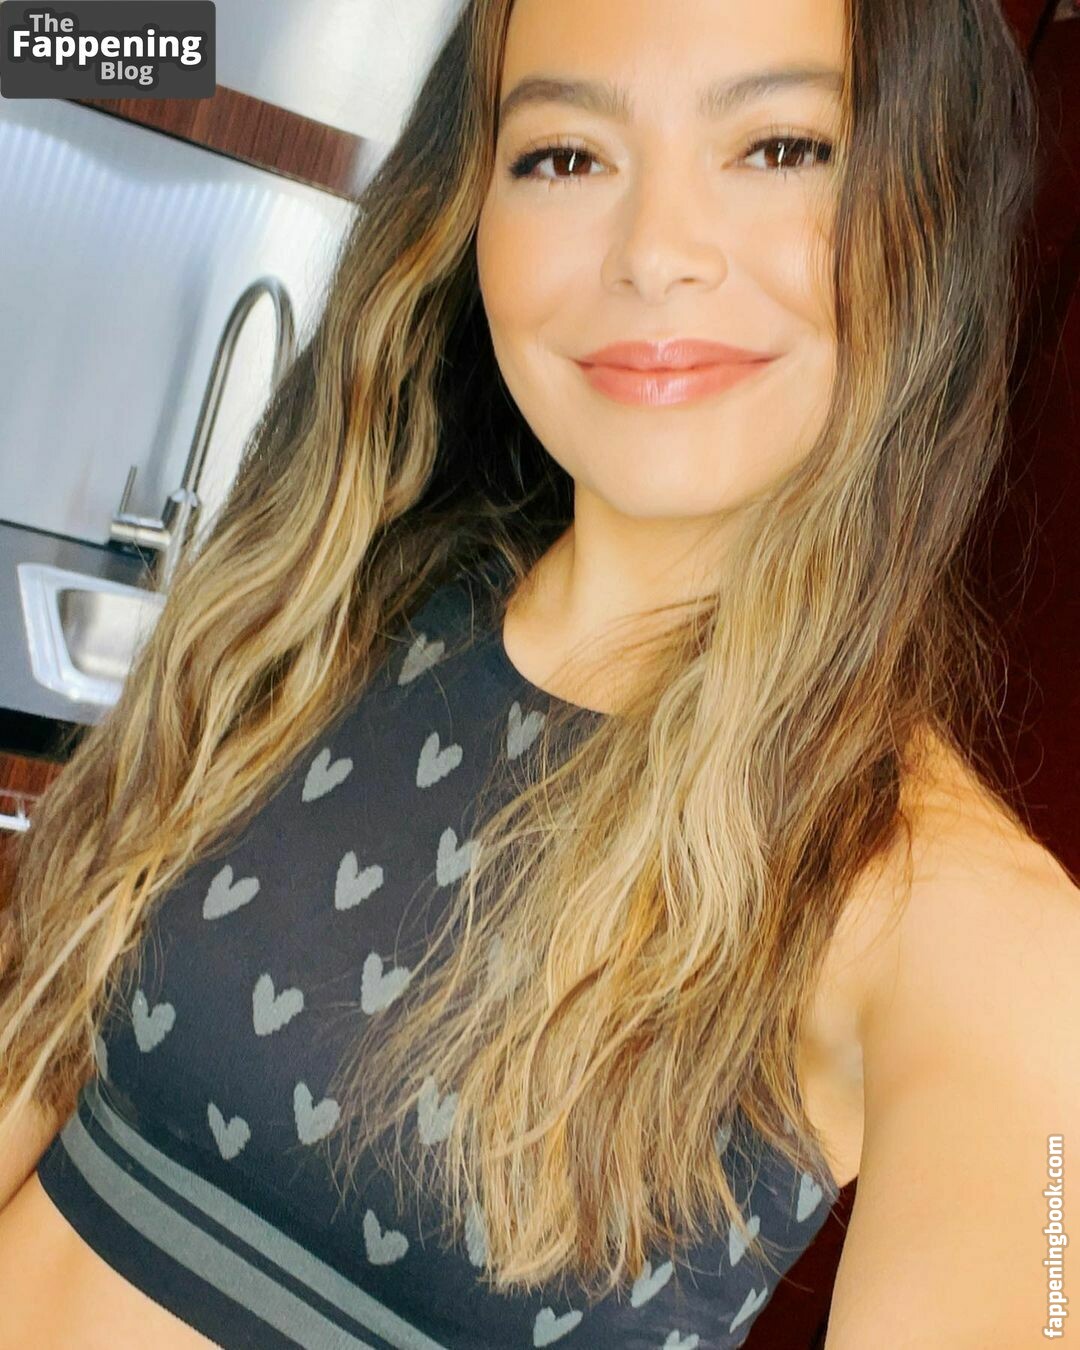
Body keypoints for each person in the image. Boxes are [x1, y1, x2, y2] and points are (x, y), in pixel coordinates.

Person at [1, 0, 1077, 1346]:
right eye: (566, 155)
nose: (655, 253)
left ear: (934, 211)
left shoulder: (973, 929)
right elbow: (42, 1042)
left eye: (782, 147)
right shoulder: (337, 589)